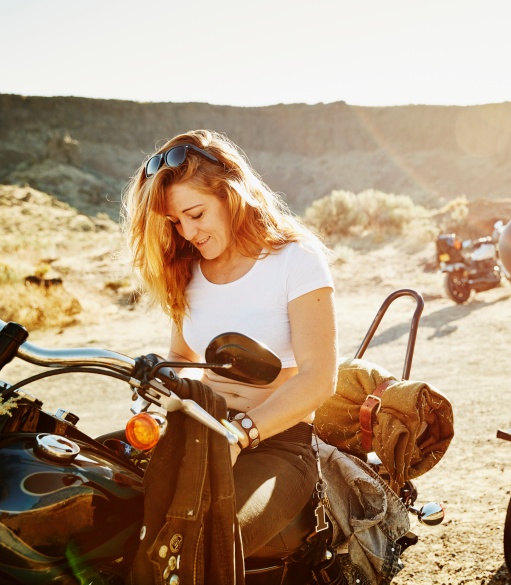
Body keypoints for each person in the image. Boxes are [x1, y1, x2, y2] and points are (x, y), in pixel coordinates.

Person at [120, 129, 338, 559]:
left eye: (196, 214)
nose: (188, 232)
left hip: (275, 439)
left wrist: (239, 434)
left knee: (201, 547)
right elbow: (182, 356)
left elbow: (319, 380)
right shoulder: (186, 269)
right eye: (176, 222)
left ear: (230, 193)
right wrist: (160, 377)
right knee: (100, 502)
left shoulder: (296, 258)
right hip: (200, 425)